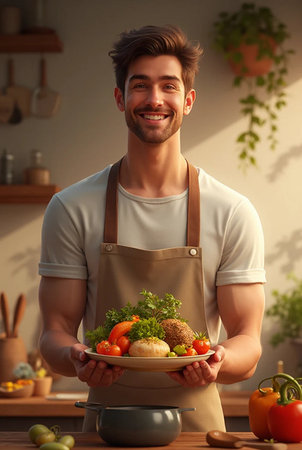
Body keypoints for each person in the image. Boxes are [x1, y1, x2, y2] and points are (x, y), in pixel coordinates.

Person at [38, 25, 266, 432]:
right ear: (119, 98)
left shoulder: (231, 211)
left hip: (199, 433)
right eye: (140, 85)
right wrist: (76, 357)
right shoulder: (71, 208)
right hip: (105, 430)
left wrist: (217, 361)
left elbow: (247, 341)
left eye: (169, 86)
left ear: (188, 100)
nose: (155, 99)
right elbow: (53, 334)